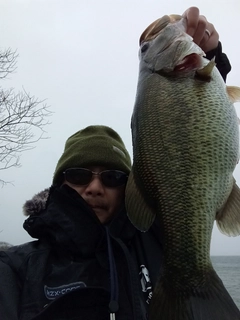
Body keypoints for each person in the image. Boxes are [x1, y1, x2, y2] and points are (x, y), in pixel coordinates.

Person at [0, 7, 232, 320]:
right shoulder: (15, 269)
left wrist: (211, 56)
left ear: (130, 188)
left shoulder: (153, 238)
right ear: (59, 184)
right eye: (79, 174)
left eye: (111, 177)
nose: (95, 187)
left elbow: (188, 143)